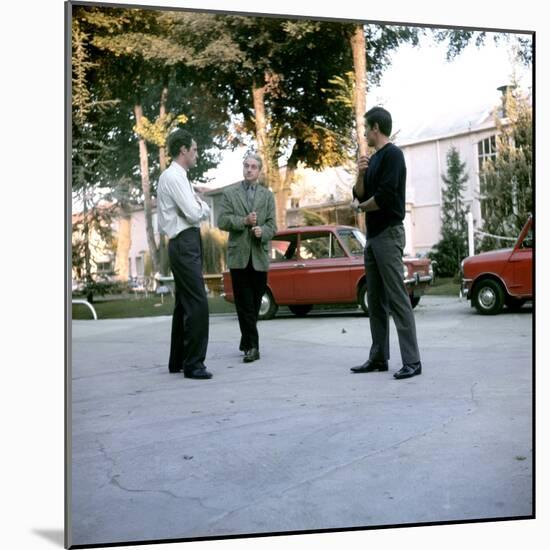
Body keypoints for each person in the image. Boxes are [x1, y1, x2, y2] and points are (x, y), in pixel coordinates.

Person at [350, 107, 422, 380]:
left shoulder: (394, 156)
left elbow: (384, 197)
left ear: (376, 128)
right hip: (373, 237)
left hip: (389, 234)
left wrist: (360, 208)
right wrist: (360, 173)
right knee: (376, 300)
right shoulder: (373, 159)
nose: (365, 133)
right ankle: (379, 357)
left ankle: (412, 362)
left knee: (397, 297)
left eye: (367, 128)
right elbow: (360, 193)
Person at [157, 129, 212, 380]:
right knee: (198, 303)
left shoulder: (180, 177)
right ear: (183, 151)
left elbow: (194, 210)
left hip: (186, 242)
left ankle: (178, 361)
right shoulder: (174, 177)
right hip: (184, 242)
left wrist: (198, 205)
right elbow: (194, 212)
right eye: (195, 149)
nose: (197, 154)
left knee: (184, 304)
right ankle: (194, 364)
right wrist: (200, 204)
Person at [218, 153, 277, 363]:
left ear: (259, 171)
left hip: (259, 256)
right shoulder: (230, 193)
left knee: (253, 302)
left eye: (253, 167)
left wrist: (264, 232)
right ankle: (253, 347)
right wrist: (243, 221)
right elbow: (222, 221)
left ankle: (245, 340)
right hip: (239, 257)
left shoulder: (267, 196)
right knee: (244, 304)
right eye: (246, 166)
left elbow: (273, 225)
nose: (249, 169)